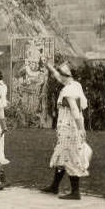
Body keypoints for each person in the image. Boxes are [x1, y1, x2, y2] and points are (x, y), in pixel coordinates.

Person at [40, 60, 91, 200]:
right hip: (68, 127)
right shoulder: (75, 85)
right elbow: (57, 75)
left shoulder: (69, 90)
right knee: (62, 156)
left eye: (61, 74)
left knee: (71, 156)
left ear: (66, 75)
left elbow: (74, 110)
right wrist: (48, 66)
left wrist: (81, 129)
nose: (59, 77)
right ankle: (54, 186)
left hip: (70, 127)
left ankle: (75, 192)